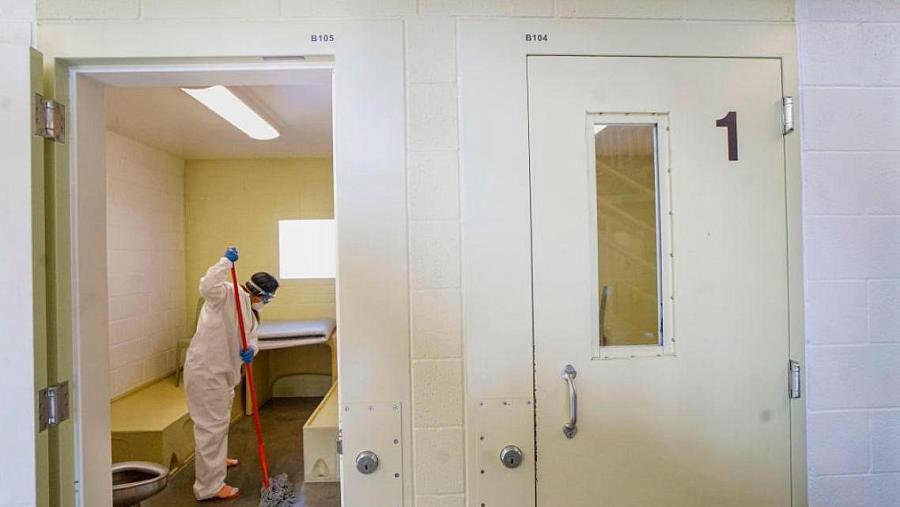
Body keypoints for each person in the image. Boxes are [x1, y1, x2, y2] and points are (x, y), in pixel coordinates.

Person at [183, 247, 279, 501]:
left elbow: (251, 338)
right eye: (269, 296)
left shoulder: (251, 310)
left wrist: (252, 350)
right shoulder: (228, 292)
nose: (268, 301)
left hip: (224, 373)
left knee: (218, 423)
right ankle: (209, 487)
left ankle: (214, 461)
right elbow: (206, 286)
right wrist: (225, 262)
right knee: (211, 427)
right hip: (207, 371)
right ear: (262, 293)